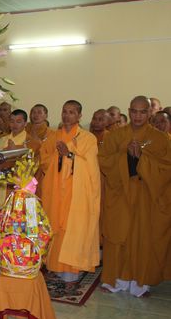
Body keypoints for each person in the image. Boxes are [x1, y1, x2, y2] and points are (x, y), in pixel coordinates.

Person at [98, 96, 171, 297]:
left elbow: (166, 169)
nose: (138, 116)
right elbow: (104, 161)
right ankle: (116, 280)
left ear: (149, 113)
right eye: (134, 111)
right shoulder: (115, 136)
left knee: (142, 238)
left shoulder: (160, 139)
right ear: (129, 111)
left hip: (146, 196)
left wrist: (142, 158)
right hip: (120, 194)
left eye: (143, 112)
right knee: (117, 236)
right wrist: (125, 155)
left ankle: (140, 284)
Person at [39, 100, 100, 282]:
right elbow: (43, 161)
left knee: (73, 228)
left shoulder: (88, 138)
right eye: (65, 111)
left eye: (72, 112)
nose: (67, 115)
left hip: (76, 193)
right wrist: (57, 156)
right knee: (55, 226)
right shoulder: (53, 136)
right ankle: (55, 266)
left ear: (79, 116)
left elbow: (91, 167)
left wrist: (69, 155)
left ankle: (71, 270)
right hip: (55, 190)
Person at [0, 109, 29, 214]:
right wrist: (4, 151)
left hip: (20, 184)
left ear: (25, 123)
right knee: (0, 212)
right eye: (12, 121)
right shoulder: (3, 140)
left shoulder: (30, 140)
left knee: (16, 216)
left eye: (18, 121)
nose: (14, 125)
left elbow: (32, 163)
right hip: (1, 182)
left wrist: (15, 151)